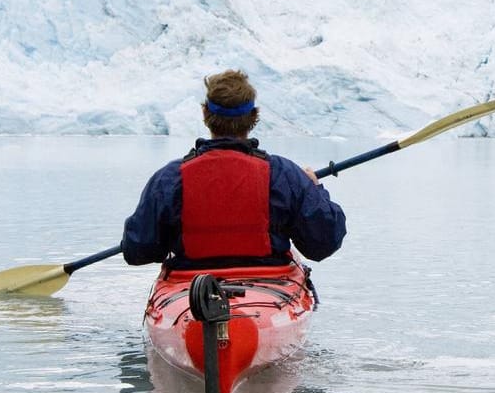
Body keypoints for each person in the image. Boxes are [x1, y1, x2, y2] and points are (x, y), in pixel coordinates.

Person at [122, 69, 346, 270]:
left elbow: (138, 250)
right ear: (254, 116)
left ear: (205, 114)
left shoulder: (169, 179)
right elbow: (323, 243)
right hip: (268, 288)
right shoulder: (284, 174)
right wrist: (314, 189)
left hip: (190, 289)